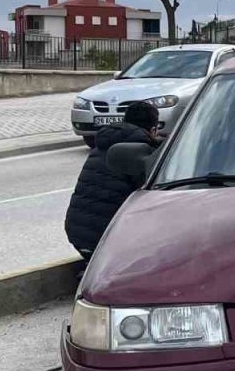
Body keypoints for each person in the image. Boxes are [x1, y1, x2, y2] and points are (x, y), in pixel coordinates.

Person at [64, 101, 162, 262]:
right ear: (153, 130)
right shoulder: (142, 153)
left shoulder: (103, 144)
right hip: (106, 240)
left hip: (77, 233)